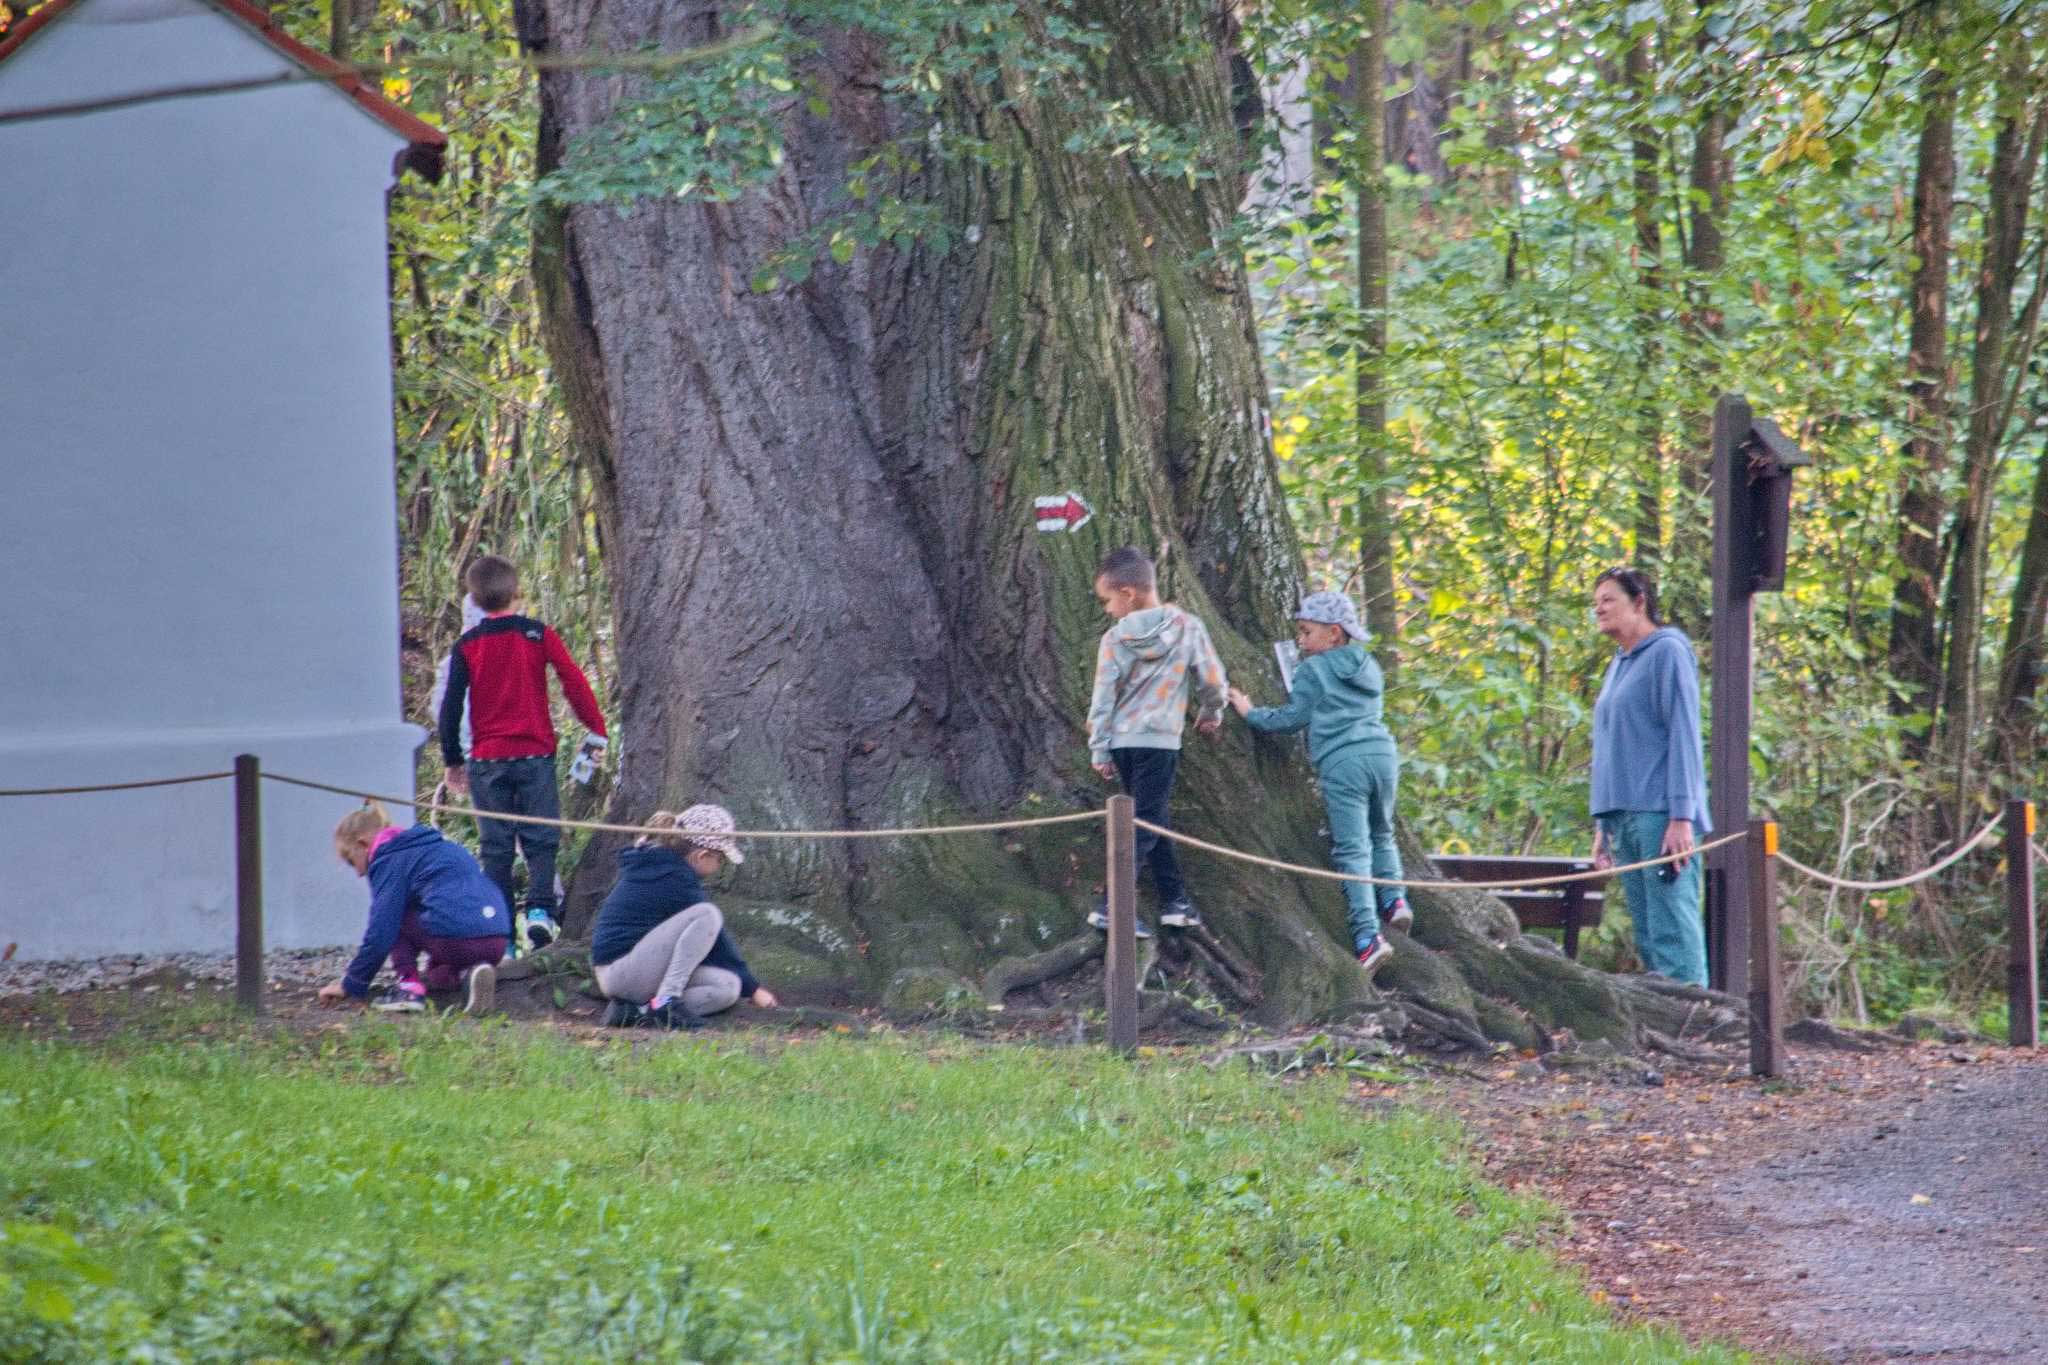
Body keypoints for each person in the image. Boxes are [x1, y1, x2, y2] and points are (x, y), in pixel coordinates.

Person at [1228, 591, 1409, 980]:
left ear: (1334, 634)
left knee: (1352, 851)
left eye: (1307, 632)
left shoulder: (1313, 670)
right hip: (1382, 755)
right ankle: (1394, 900)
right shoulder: (1369, 665)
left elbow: (1292, 718)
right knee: (1383, 832)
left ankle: (1367, 939)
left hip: (1343, 762)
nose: (1301, 641)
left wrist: (1249, 712)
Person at [438, 555, 608, 954]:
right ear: (517, 592)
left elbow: (451, 707)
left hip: (487, 761)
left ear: (475, 601)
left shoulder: (468, 645)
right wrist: (595, 726)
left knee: (495, 847)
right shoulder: (537, 634)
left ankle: (501, 934)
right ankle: (539, 913)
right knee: (542, 837)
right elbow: (573, 681)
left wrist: (452, 760)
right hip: (534, 756)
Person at [1084, 546, 1228, 935]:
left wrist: (1100, 746)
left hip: (1123, 742)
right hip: (1160, 742)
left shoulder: (1114, 639)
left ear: (1128, 593)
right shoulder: (1187, 627)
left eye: (1107, 600)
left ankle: (1175, 901)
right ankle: (1112, 906)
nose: (1108, 610)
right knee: (1147, 822)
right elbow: (1213, 682)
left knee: (1153, 816)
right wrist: (1211, 712)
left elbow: (1102, 698)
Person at [1589, 565, 1709, 987]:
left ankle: (1698, 1015)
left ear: (1639, 602)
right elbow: (1609, 744)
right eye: (1596, 602)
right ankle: (1668, 1017)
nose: (1599, 609)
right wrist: (1603, 825)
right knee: (1646, 929)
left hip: (1661, 811)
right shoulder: (1619, 663)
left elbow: (1683, 735)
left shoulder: (1667, 652)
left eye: (1609, 600)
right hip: (1623, 815)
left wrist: (1682, 817)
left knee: (1671, 924)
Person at [589, 805, 780, 1030]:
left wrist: (747, 986)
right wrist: (755, 989)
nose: (720, 866)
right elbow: (717, 940)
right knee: (708, 915)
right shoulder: (672, 876)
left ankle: (638, 1013)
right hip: (620, 971)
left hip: (640, 969)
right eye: (720, 859)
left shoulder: (668, 868)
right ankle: (667, 1001)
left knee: (728, 986)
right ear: (702, 856)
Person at [318, 803, 509, 1014]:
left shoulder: (388, 858)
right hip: (497, 939)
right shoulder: (435, 846)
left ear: (363, 845)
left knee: (393, 915)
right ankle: (466, 976)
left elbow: (381, 933)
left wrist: (352, 983)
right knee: (438, 966)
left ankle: (409, 989)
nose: (358, 874)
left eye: (351, 862)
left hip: (458, 941)